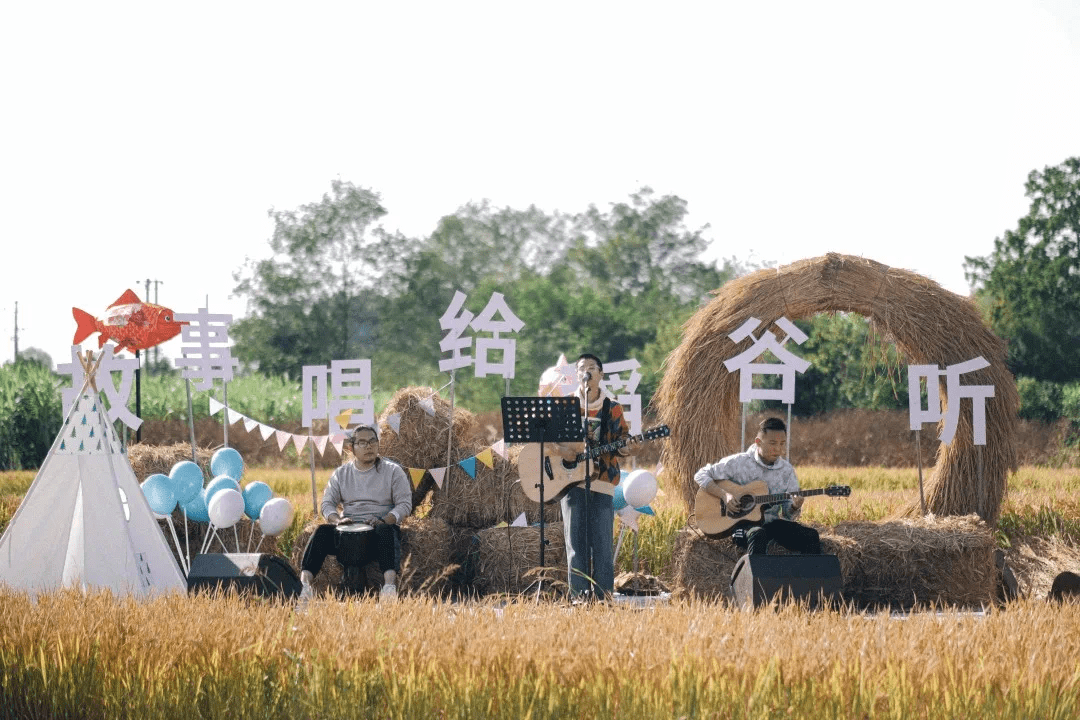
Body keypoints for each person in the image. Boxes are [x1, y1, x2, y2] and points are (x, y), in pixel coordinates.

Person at [550, 353, 641, 600]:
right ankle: (579, 596)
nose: (586, 371)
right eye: (581, 368)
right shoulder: (566, 405)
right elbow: (552, 443)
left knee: (601, 544)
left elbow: (622, 441)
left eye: (592, 368)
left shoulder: (613, 408)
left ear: (600, 375)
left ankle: (604, 597)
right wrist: (568, 451)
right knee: (575, 545)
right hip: (570, 482)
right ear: (576, 375)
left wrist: (625, 446)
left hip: (602, 482)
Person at [299, 424, 412, 600]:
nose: (369, 446)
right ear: (351, 448)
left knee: (386, 532)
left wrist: (385, 519)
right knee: (321, 532)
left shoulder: (393, 471)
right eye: (362, 442)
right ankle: (304, 586)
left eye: (373, 441)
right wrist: (337, 521)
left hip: (378, 530)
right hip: (347, 531)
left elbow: (404, 504)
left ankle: (389, 588)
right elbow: (327, 504)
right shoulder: (341, 474)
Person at [693, 417, 821, 555]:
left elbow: (787, 513)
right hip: (742, 525)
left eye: (782, 443)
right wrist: (724, 495)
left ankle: (810, 576)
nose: (778, 449)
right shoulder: (739, 462)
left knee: (811, 536)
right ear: (758, 442)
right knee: (758, 535)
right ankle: (755, 577)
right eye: (773, 443)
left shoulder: (786, 471)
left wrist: (795, 506)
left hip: (772, 525)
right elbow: (701, 475)